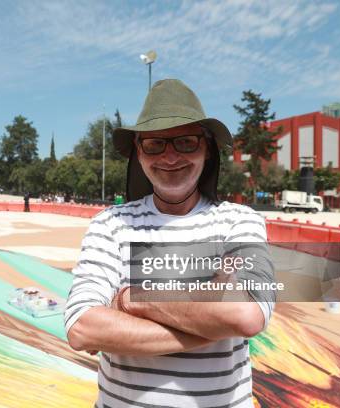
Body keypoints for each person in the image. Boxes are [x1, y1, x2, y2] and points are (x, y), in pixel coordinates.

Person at [64, 79, 275, 407]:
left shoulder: (240, 222)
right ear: (139, 151)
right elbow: (82, 328)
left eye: (186, 142)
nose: (171, 156)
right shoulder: (110, 224)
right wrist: (209, 320)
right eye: (155, 144)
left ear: (206, 148)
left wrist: (132, 299)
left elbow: (245, 314)